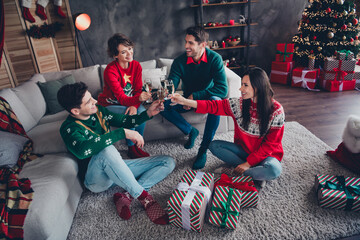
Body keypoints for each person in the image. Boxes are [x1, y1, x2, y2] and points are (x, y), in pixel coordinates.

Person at [57, 82, 175, 225]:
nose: (95, 101)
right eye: (89, 102)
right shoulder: (68, 129)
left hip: (116, 169)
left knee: (168, 162)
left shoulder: (99, 111)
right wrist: (123, 132)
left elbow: (126, 121)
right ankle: (145, 198)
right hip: (96, 180)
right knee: (107, 149)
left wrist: (149, 112)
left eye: (92, 98)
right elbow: (83, 151)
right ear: (75, 111)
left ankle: (126, 196)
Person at [170, 67, 284, 186]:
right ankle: (257, 174)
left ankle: (239, 172)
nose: (241, 89)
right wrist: (184, 101)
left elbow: (270, 145)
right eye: (241, 84)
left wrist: (248, 164)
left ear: (258, 86)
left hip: (266, 156)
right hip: (244, 151)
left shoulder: (276, 111)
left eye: (245, 85)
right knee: (214, 146)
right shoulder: (238, 104)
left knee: (274, 170)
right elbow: (212, 106)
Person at [160, 26, 228, 170]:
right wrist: (168, 94)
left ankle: (203, 150)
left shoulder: (215, 59)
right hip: (186, 100)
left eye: (190, 43)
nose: (186, 46)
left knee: (217, 101)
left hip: (205, 100)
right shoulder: (179, 61)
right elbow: (172, 85)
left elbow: (222, 89)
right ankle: (191, 131)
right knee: (162, 105)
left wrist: (195, 98)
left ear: (203, 45)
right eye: (186, 42)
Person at [98, 33, 152, 159]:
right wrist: (137, 100)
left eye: (130, 48)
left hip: (129, 101)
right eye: (124, 52)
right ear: (115, 55)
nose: (129, 53)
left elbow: (138, 90)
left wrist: (134, 105)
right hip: (110, 104)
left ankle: (137, 146)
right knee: (129, 115)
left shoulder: (136, 66)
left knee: (142, 112)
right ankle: (131, 148)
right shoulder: (110, 71)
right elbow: (122, 98)